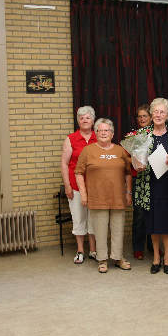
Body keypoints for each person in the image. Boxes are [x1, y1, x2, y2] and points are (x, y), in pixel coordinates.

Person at [75, 118, 132, 273]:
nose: (103, 133)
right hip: (97, 197)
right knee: (99, 230)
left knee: (118, 229)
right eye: (100, 130)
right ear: (96, 133)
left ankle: (118, 257)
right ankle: (102, 259)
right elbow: (78, 173)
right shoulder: (88, 151)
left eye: (107, 130)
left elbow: (128, 174)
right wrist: (84, 194)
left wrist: (128, 192)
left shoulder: (120, 150)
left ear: (112, 133)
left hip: (118, 198)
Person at [133, 98, 168, 274]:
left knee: (167, 223)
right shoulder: (142, 134)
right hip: (149, 184)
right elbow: (135, 159)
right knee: (153, 223)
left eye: (162, 112)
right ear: (151, 114)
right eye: (156, 111)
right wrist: (137, 164)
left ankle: (167, 258)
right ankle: (155, 257)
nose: (158, 115)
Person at [61, 106, 97, 264]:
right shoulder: (71, 138)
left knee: (94, 219)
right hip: (75, 187)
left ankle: (94, 251)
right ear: (78, 121)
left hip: (96, 188)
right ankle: (81, 250)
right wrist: (67, 186)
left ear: (93, 120)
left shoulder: (100, 136)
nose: (84, 120)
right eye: (81, 117)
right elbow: (64, 163)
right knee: (79, 219)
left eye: (87, 117)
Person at [131, 104, 152, 260]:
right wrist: (134, 161)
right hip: (138, 179)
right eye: (140, 116)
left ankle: (153, 246)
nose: (142, 119)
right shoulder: (132, 136)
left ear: (151, 118)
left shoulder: (157, 134)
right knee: (139, 216)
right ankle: (138, 248)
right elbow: (125, 157)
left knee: (154, 214)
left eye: (145, 116)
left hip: (155, 179)